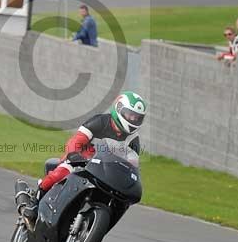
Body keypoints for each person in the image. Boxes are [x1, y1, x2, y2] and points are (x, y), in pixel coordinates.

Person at [19, 91, 146, 221]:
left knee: (121, 199)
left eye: (137, 118)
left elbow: (133, 163)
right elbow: (77, 140)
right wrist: (73, 154)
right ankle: (34, 201)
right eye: (130, 115)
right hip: (82, 161)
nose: (133, 120)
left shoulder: (133, 139)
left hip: (106, 172)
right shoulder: (100, 121)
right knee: (62, 171)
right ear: (118, 109)